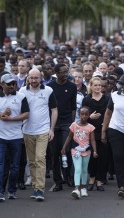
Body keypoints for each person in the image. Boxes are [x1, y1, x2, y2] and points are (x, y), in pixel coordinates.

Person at [19, 69, 58, 201]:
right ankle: (35, 187)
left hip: (43, 130)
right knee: (32, 161)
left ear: (41, 78)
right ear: (28, 78)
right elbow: (19, 111)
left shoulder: (48, 91)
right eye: (32, 78)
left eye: (36, 78)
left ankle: (40, 189)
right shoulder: (22, 92)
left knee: (40, 158)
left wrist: (51, 129)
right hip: (27, 131)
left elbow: (54, 110)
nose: (34, 80)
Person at [0, 73, 30, 201]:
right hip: (1, 136)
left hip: (16, 137)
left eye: (13, 84)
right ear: (2, 85)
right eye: (9, 84)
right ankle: (1, 192)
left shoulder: (21, 97)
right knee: (1, 165)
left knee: (15, 166)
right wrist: (2, 114)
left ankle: (12, 191)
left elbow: (26, 114)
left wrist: (11, 118)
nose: (12, 86)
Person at [48, 63, 77, 191]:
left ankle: (69, 177)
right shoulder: (49, 87)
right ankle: (57, 182)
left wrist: (72, 124)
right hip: (53, 124)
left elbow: (73, 107)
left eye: (67, 71)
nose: (65, 74)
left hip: (66, 123)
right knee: (54, 154)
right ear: (56, 73)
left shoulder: (72, 86)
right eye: (63, 72)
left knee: (67, 152)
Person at [61, 106, 98, 199]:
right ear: (79, 114)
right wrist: (64, 147)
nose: (84, 116)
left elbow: (93, 140)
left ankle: (83, 188)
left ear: (89, 115)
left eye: (86, 114)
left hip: (86, 151)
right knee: (77, 169)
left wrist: (95, 151)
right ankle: (76, 188)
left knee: (84, 169)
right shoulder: (74, 125)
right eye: (82, 114)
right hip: (76, 150)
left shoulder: (90, 127)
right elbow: (69, 137)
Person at [82, 77, 110, 191]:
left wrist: (106, 123)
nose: (98, 87)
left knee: (103, 156)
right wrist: (90, 117)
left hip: (103, 131)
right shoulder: (86, 99)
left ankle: (100, 180)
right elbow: (82, 117)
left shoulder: (107, 99)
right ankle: (92, 178)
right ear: (91, 86)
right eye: (96, 85)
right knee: (92, 156)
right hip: (90, 132)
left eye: (100, 85)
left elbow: (111, 113)